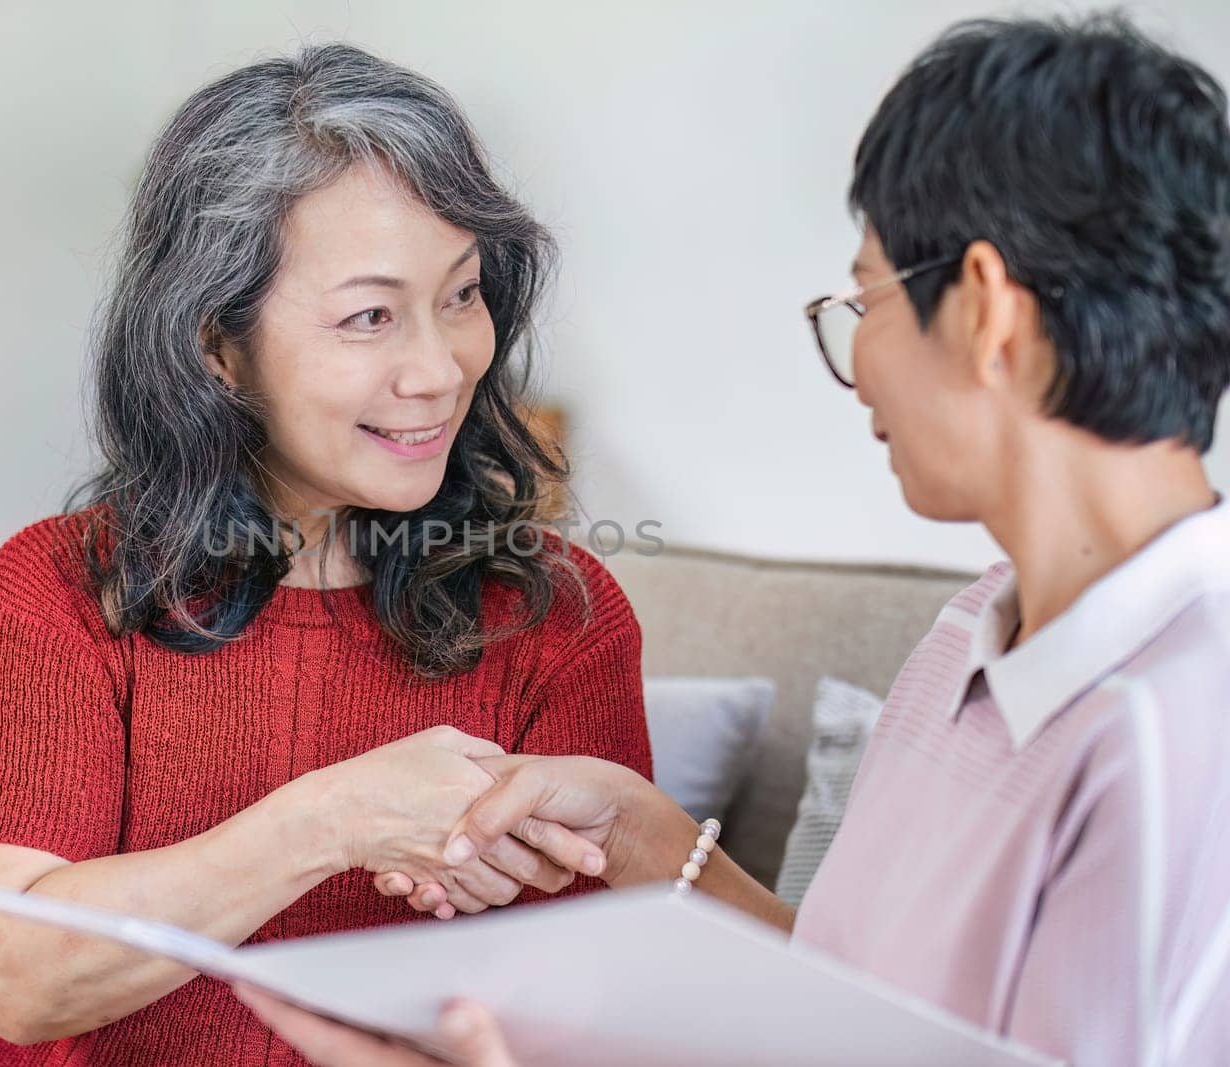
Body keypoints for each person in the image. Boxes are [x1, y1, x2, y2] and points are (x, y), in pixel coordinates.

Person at [241, 14, 1230, 1066]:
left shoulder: (1180, 740)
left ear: (985, 308)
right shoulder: (969, 635)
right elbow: (857, 1021)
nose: (852, 361)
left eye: (865, 297)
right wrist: (644, 836)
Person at [0, 43, 652, 1065]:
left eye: (461, 294)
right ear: (213, 345)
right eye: (369, 316)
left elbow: (608, 1005)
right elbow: (25, 977)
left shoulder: (556, 616)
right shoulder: (57, 590)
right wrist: (334, 819)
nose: (440, 367)